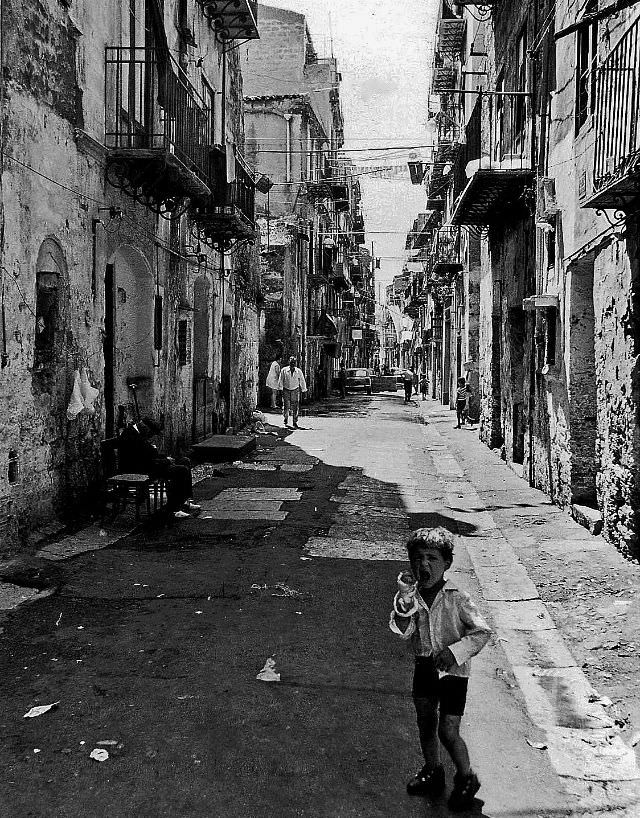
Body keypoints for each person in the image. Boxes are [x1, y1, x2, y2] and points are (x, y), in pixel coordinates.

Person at [389, 527, 492, 811]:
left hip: (453, 674)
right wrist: (403, 605)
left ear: (446, 563)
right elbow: (403, 630)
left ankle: (466, 777)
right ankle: (433, 770)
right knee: (425, 721)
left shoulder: (457, 597)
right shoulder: (411, 596)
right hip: (424, 667)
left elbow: (481, 632)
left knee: (448, 730)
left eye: (432, 558)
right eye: (418, 559)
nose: (424, 565)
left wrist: (454, 651)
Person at [117, 419, 201, 519]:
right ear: (145, 427)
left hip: (147, 465)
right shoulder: (131, 436)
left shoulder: (138, 434)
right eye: (151, 433)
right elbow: (145, 461)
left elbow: (149, 455)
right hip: (138, 469)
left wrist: (165, 458)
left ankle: (185, 501)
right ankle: (175, 508)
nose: (151, 436)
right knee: (181, 470)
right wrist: (166, 461)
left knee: (185, 461)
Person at [278, 356, 307, 429]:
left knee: (295, 406)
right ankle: (286, 418)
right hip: (286, 389)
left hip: (295, 390)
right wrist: (280, 389)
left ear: (296, 363)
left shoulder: (298, 371)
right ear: (289, 363)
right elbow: (281, 380)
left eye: (294, 363)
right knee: (286, 406)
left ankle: (295, 421)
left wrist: (304, 390)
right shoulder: (284, 370)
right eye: (291, 363)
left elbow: (302, 381)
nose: (293, 364)